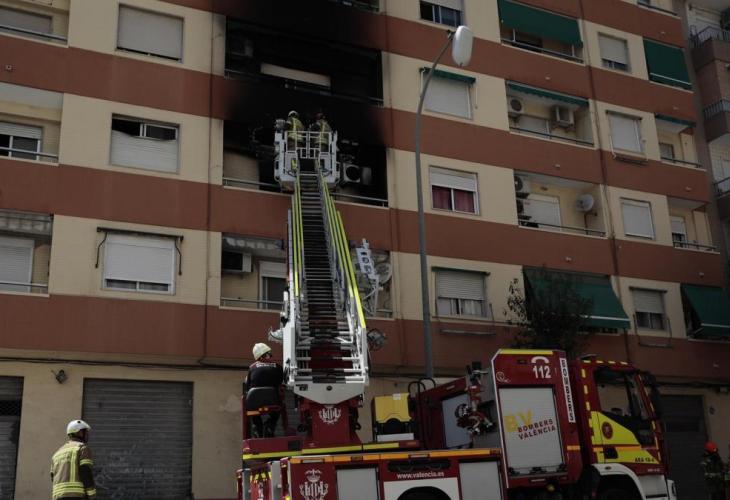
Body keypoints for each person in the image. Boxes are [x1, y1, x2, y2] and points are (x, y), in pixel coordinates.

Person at [245, 343, 284, 438]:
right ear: (266, 355)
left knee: (254, 413)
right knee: (277, 410)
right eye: (270, 354)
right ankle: (270, 426)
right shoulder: (278, 367)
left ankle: (258, 430)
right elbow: (281, 383)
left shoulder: (252, 367)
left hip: (253, 402)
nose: (271, 356)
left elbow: (248, 386)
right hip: (273, 401)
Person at [51, 419, 96, 500]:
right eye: (86, 432)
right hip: (76, 495)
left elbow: (52, 477)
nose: (87, 435)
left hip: (57, 496)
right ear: (79, 432)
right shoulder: (82, 448)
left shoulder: (57, 453)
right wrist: (92, 495)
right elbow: (85, 471)